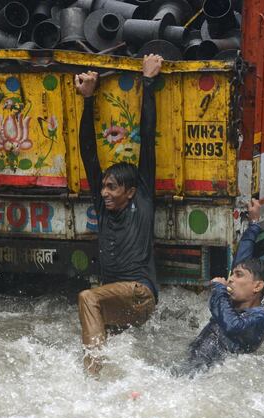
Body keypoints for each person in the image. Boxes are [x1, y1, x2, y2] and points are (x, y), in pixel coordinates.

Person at [74, 54, 163, 374]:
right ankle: (106, 384)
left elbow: (147, 139)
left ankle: (91, 375)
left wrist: (148, 83)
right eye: (103, 187)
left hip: (140, 294)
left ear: (130, 191)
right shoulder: (103, 207)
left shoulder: (143, 199)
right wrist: (88, 100)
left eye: (112, 188)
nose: (105, 193)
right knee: (96, 323)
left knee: (87, 297)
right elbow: (88, 153)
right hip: (118, 304)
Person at [187, 199, 264, 370]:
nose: (231, 279)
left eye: (238, 275)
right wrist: (254, 224)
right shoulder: (236, 300)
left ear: (257, 286)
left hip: (207, 378)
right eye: (232, 275)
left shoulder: (261, 317)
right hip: (191, 365)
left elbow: (233, 326)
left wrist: (219, 290)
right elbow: (243, 256)